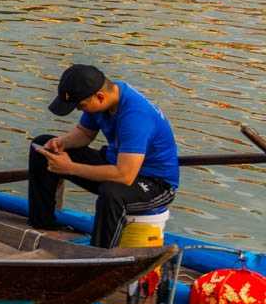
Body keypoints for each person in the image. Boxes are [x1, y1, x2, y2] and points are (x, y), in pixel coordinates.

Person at [29, 64, 180, 248]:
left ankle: (100, 253)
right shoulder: (104, 97)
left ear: (100, 97)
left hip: (154, 184)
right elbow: (85, 133)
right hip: (117, 163)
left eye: (80, 106)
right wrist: (62, 142)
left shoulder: (136, 117)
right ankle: (42, 224)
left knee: (112, 193)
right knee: (43, 147)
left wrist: (70, 168)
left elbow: (125, 175)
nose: (79, 110)